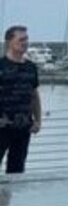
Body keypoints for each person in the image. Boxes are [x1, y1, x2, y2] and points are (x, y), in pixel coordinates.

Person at [0, 25, 42, 176]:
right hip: (2, 127)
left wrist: (38, 121)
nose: (25, 43)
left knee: (17, 171)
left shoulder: (31, 67)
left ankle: (10, 193)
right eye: (21, 39)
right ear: (9, 42)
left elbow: (34, 95)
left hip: (23, 127)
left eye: (27, 39)